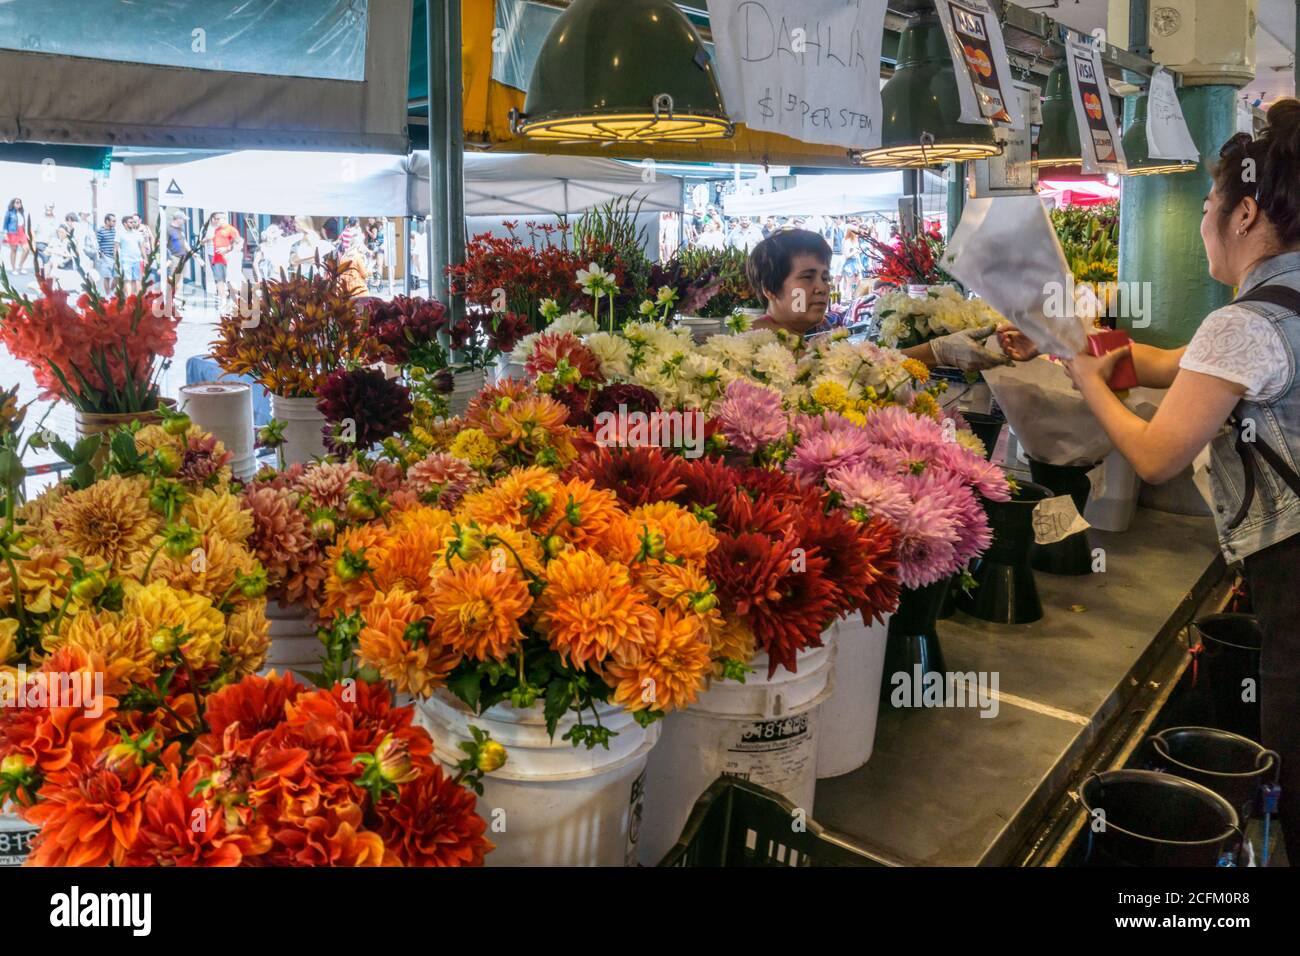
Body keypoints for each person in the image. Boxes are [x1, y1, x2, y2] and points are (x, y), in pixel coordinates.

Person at [1000, 100, 1300, 862]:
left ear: (1244, 214)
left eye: (1207, 206)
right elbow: (1178, 369)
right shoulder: (1279, 303)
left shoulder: (1246, 322)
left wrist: (1085, 378)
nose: (1201, 223)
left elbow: (1157, 454)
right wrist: (1079, 338)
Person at [745, 228, 1014, 373]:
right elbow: (856, 371)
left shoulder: (795, 337)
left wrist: (939, 350)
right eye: (807, 277)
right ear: (770, 288)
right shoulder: (763, 343)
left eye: (825, 277)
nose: (821, 288)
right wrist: (939, 351)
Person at [204, 212, 242, 310]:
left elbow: (239, 243)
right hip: (217, 259)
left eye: (218, 219)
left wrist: (227, 249)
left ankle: (235, 301)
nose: (215, 221)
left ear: (223, 219)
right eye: (215, 219)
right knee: (219, 281)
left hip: (228, 260)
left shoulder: (231, 229)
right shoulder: (217, 230)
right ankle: (223, 301)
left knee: (231, 281)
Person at [4, 199, 31, 274]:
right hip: (13, 232)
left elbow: (24, 224)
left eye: (20, 203)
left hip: (21, 232)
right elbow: (5, 224)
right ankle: (13, 269)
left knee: (27, 249)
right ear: (13, 204)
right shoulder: (9, 213)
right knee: (14, 250)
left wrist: (27, 234)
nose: (19, 204)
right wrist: (5, 234)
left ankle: (20, 265)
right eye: (17, 202)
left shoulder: (22, 213)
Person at [32, 204, 60, 272]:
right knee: (46, 258)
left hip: (52, 245)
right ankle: (46, 276)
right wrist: (33, 243)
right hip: (40, 244)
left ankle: (49, 274)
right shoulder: (39, 218)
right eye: (47, 207)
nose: (49, 209)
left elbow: (59, 233)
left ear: (53, 207)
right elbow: (32, 231)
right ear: (45, 207)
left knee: (55, 259)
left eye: (50, 207)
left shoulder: (56, 220)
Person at [95, 213, 118, 292]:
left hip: (115, 257)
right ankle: (108, 296)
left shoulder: (114, 230)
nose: (115, 223)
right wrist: (100, 254)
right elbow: (96, 243)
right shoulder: (100, 231)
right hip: (106, 257)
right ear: (107, 221)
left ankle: (111, 292)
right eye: (113, 221)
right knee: (107, 277)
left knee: (117, 277)